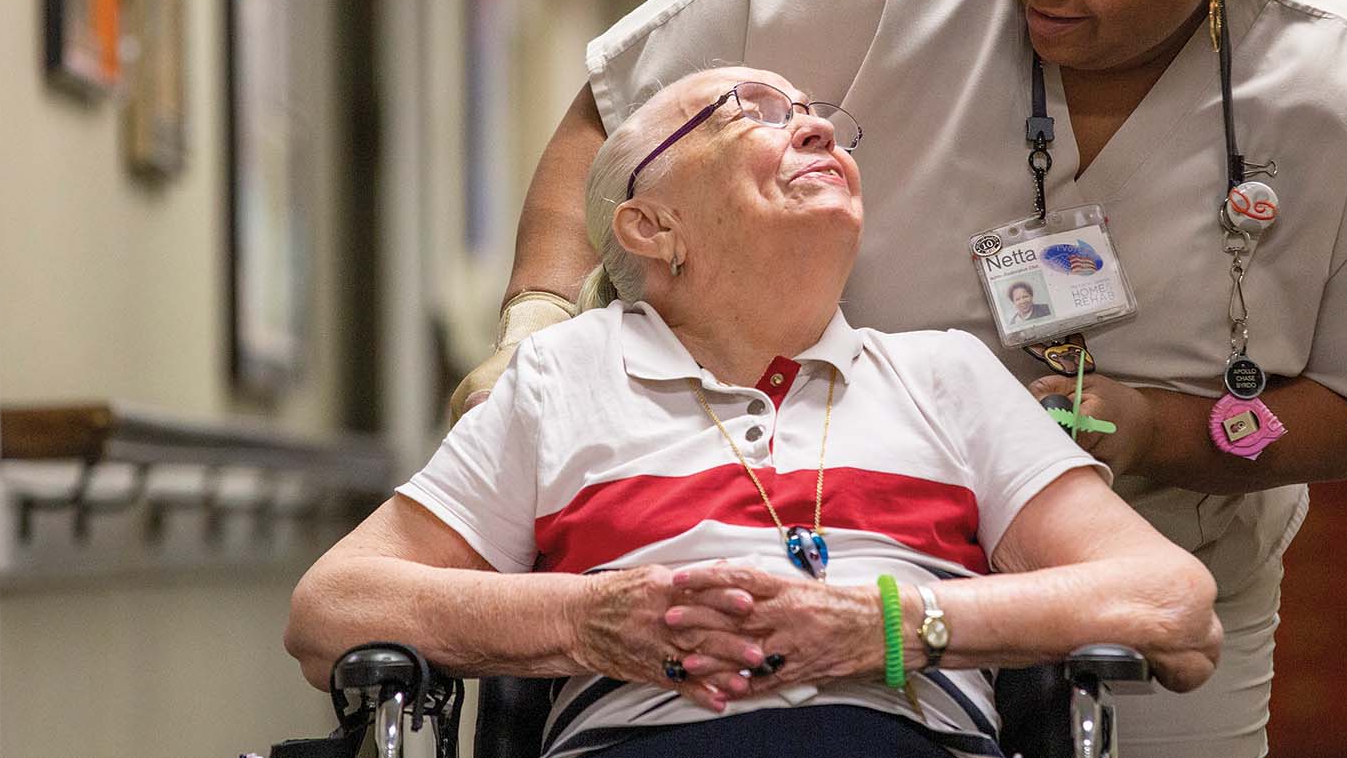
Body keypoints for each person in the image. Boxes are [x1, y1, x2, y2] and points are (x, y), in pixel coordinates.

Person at [458, 0, 1347, 757]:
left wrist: (1168, 432)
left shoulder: (1340, 87)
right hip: (825, 568)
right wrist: (536, 326)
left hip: (1126, 591)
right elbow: (612, 114)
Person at [287, 68, 1223, 758]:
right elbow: (332, 609)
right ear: (652, 226)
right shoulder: (559, 379)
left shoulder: (947, 376)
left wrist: (893, 625)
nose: (815, 129)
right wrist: (588, 622)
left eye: (819, 116)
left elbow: (1170, 605)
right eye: (754, 114)